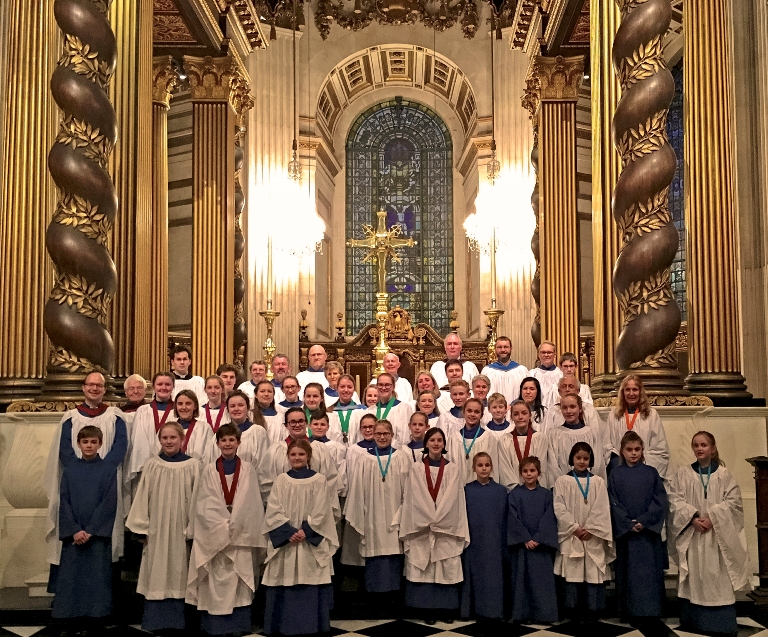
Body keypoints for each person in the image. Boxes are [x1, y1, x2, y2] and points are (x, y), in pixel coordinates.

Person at [44, 372, 128, 581]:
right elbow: (65, 449)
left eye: (99, 385)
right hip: (76, 480)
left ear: (104, 389)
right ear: (83, 388)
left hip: (106, 480)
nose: (94, 389)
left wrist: (101, 470)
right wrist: (80, 470)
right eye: (90, 385)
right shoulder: (71, 418)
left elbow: (120, 446)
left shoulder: (115, 416)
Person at [667, 431, 751, 636]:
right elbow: (676, 501)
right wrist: (693, 518)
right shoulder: (684, 474)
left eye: (704, 445)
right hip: (693, 535)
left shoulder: (724, 475)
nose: (699, 449)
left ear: (712, 448)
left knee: (717, 576)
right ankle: (694, 620)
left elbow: (734, 504)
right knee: (695, 576)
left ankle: (719, 622)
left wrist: (714, 518)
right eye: (696, 445)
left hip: (717, 537)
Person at [186, 424, 266, 636]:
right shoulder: (210, 469)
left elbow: (250, 502)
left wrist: (236, 523)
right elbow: (204, 502)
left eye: (232, 440)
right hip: (214, 535)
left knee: (238, 581)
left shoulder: (247, 469)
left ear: (239, 443)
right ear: (217, 443)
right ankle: (214, 625)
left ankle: (238, 624)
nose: (228, 444)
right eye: (224, 440)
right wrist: (222, 525)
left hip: (241, 533)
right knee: (215, 579)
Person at [126, 422, 201, 633]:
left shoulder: (193, 465)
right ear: (159, 440)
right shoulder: (152, 465)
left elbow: (197, 500)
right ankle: (156, 621)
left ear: (182, 439)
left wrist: (193, 529)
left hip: (181, 531)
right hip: (157, 530)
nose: (168, 442)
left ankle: (180, 622)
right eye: (164, 438)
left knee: (181, 571)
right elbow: (142, 497)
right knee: (157, 571)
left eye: (173, 438)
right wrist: (141, 527)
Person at [262, 439, 339, 636]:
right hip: (288, 541)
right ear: (288, 457)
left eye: (301, 454)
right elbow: (273, 509)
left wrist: (307, 529)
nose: (297, 458)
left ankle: (310, 625)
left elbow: (322, 509)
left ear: (308, 457)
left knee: (310, 575)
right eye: (293, 454)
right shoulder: (281, 480)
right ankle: (282, 624)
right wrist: (288, 532)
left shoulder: (319, 479)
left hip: (308, 541)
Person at [400, 427, 469, 623]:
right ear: (426, 444)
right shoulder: (416, 468)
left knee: (445, 565)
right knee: (426, 567)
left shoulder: (453, 469)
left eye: (440, 440)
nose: (436, 443)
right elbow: (414, 497)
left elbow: (453, 499)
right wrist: (428, 518)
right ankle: (427, 610)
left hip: (445, 526)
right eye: (432, 440)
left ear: (444, 444)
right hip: (422, 527)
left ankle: (446, 610)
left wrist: (439, 518)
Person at [51, 426, 118, 624]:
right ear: (78, 444)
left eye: (93, 442)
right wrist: (74, 530)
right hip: (75, 534)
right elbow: (64, 501)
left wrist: (90, 531)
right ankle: (70, 616)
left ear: (100, 443)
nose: (89, 446)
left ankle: (95, 617)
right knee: (72, 578)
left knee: (96, 577)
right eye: (85, 442)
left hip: (95, 535)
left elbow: (109, 503)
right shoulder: (71, 469)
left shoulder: (108, 469)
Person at [608, 431, 667, 623]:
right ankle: (628, 610)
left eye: (637, 449)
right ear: (622, 451)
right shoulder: (615, 474)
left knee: (650, 573)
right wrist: (626, 522)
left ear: (642, 450)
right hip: (627, 534)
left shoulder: (651, 473)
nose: (633, 453)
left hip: (647, 534)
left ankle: (651, 610)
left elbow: (659, 500)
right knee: (627, 574)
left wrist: (645, 521)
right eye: (629, 449)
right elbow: (612, 501)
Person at [345, 420, 410, 595]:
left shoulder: (401, 457)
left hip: (395, 512)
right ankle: (374, 592)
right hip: (372, 514)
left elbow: (409, 489)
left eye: (385, 434)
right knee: (375, 547)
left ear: (392, 435)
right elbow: (357, 489)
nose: (382, 437)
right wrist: (360, 511)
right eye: (378, 434)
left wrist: (404, 513)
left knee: (393, 549)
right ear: (373, 435)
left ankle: (394, 592)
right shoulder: (365, 458)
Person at [553, 442, 614, 623]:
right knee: (572, 570)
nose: (581, 461)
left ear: (591, 460)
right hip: (572, 534)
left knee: (592, 571)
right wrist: (574, 527)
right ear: (572, 458)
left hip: (592, 536)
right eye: (578, 458)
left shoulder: (598, 482)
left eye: (585, 458)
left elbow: (602, 507)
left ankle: (593, 610)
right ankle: (572, 609)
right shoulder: (562, 481)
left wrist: (591, 528)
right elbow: (559, 506)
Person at [507, 455, 558, 624]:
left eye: (532, 470)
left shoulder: (546, 495)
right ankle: (523, 614)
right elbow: (513, 518)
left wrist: (538, 538)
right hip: (523, 546)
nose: (529, 474)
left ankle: (544, 614)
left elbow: (549, 517)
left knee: (541, 582)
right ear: (521, 473)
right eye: (525, 471)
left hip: (541, 547)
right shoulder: (514, 494)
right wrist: (525, 538)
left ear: (539, 472)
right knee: (522, 580)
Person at [259, 407, 340, 511]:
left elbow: (330, 481)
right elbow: (267, 484)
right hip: (284, 510)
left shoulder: (319, 449)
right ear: (286, 425)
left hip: (315, 510)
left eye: (301, 421)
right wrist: (279, 513)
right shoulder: (275, 451)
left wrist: (319, 512)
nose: (297, 425)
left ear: (306, 423)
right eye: (292, 422)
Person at [460, 452, 507, 622]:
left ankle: (494, 610)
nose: (484, 468)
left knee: (493, 576)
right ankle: (472, 609)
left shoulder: (501, 491)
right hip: (474, 541)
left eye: (487, 465)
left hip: (494, 542)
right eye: (480, 465)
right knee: (474, 575)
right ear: (473, 468)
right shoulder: (466, 490)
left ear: (492, 467)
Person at [606, 374, 670, 479]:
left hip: (644, 468)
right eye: (627, 390)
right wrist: (619, 461)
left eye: (635, 389)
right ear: (623, 392)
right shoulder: (614, 415)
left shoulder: (651, 415)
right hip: (621, 469)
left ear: (640, 392)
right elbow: (607, 446)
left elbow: (660, 448)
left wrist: (640, 462)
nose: (631, 393)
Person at [340, 414, 377, 569]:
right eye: (365, 427)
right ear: (360, 429)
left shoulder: (384, 450)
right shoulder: (353, 450)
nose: (368, 430)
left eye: (371, 427)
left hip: (376, 499)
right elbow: (348, 474)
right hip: (357, 498)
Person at [127, 372, 177, 484]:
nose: (163, 387)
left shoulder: (178, 412)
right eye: (160, 384)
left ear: (173, 387)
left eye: (167, 384)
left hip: (172, 467)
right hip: (147, 468)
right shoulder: (142, 411)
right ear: (153, 386)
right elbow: (138, 442)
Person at [547, 393, 609, 482]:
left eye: (572, 407)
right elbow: (552, 465)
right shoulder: (554, 434)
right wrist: (563, 482)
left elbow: (598, 462)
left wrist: (590, 481)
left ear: (580, 409)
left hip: (588, 484)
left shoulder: (591, 433)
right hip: (564, 485)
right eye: (564, 407)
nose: (568, 411)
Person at [445, 398, 500, 484]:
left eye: (476, 412)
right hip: (457, 487)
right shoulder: (453, 438)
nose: (472, 414)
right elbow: (448, 467)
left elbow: (494, 468)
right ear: (464, 412)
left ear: (481, 415)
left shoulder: (488, 438)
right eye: (469, 411)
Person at [501, 400, 552, 488]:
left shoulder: (540, 438)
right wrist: (516, 488)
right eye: (516, 414)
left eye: (524, 413)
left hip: (535, 488)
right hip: (514, 491)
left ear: (530, 415)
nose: (520, 417)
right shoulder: (504, 440)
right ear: (511, 417)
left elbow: (541, 465)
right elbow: (505, 467)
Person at [539, 376, 604, 434]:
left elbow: (597, 433)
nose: (567, 389)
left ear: (578, 390)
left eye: (571, 386)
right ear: (559, 391)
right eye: (564, 386)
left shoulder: (588, 408)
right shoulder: (553, 411)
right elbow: (547, 435)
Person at [226, 389, 269, 471]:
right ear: (228, 410)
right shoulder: (221, 434)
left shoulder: (258, 432)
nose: (236, 409)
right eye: (232, 406)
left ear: (248, 407)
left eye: (240, 405)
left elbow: (263, 464)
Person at [368, 372, 414, 446]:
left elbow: (405, 438)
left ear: (393, 387)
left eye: (387, 385)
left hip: (395, 453)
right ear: (377, 386)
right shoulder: (370, 411)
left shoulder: (404, 409)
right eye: (380, 385)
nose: (383, 388)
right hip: (374, 453)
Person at [309, 412, 347, 499]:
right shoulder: (304, 446)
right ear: (309, 426)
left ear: (328, 427)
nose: (319, 427)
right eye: (315, 424)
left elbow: (340, 471)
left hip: (330, 491)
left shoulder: (336, 447)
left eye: (322, 424)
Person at [480, 336, 529, 404]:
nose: (503, 350)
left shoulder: (522, 371)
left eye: (506, 347)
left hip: (516, 411)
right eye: (499, 347)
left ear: (511, 349)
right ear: (495, 349)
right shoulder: (487, 371)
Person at [172, 390, 216, 464]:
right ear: (176, 406)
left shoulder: (204, 429)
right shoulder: (168, 429)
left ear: (195, 406)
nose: (184, 407)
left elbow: (209, 456)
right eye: (180, 404)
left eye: (188, 403)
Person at [328, 374, 366, 446]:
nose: (346, 390)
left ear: (354, 389)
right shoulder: (329, 412)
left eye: (349, 387)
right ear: (337, 388)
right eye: (342, 387)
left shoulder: (362, 412)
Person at [251, 380, 283, 445]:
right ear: (256, 395)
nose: (266, 394)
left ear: (274, 394)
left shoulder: (281, 417)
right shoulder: (249, 416)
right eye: (262, 391)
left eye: (269, 391)